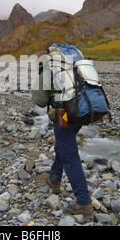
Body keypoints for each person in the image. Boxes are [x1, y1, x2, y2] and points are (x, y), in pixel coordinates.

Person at [32, 56, 94, 216]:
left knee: (69, 155)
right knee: (64, 145)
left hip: (64, 115)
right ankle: (55, 178)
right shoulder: (73, 62)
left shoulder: (48, 67)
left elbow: (40, 100)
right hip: (82, 110)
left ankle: (84, 202)